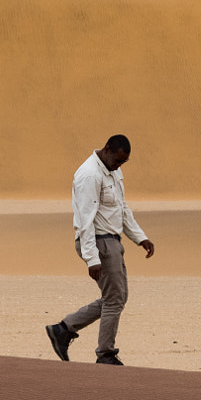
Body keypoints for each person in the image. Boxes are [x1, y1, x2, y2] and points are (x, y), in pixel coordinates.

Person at [45, 134, 155, 365]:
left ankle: (63, 329)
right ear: (107, 150)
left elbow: (122, 208)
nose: (119, 166)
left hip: (112, 240)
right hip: (99, 242)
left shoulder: (113, 170)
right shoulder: (89, 175)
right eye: (117, 160)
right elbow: (85, 220)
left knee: (116, 297)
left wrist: (139, 237)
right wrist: (91, 257)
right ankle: (105, 354)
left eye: (123, 163)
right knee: (114, 299)